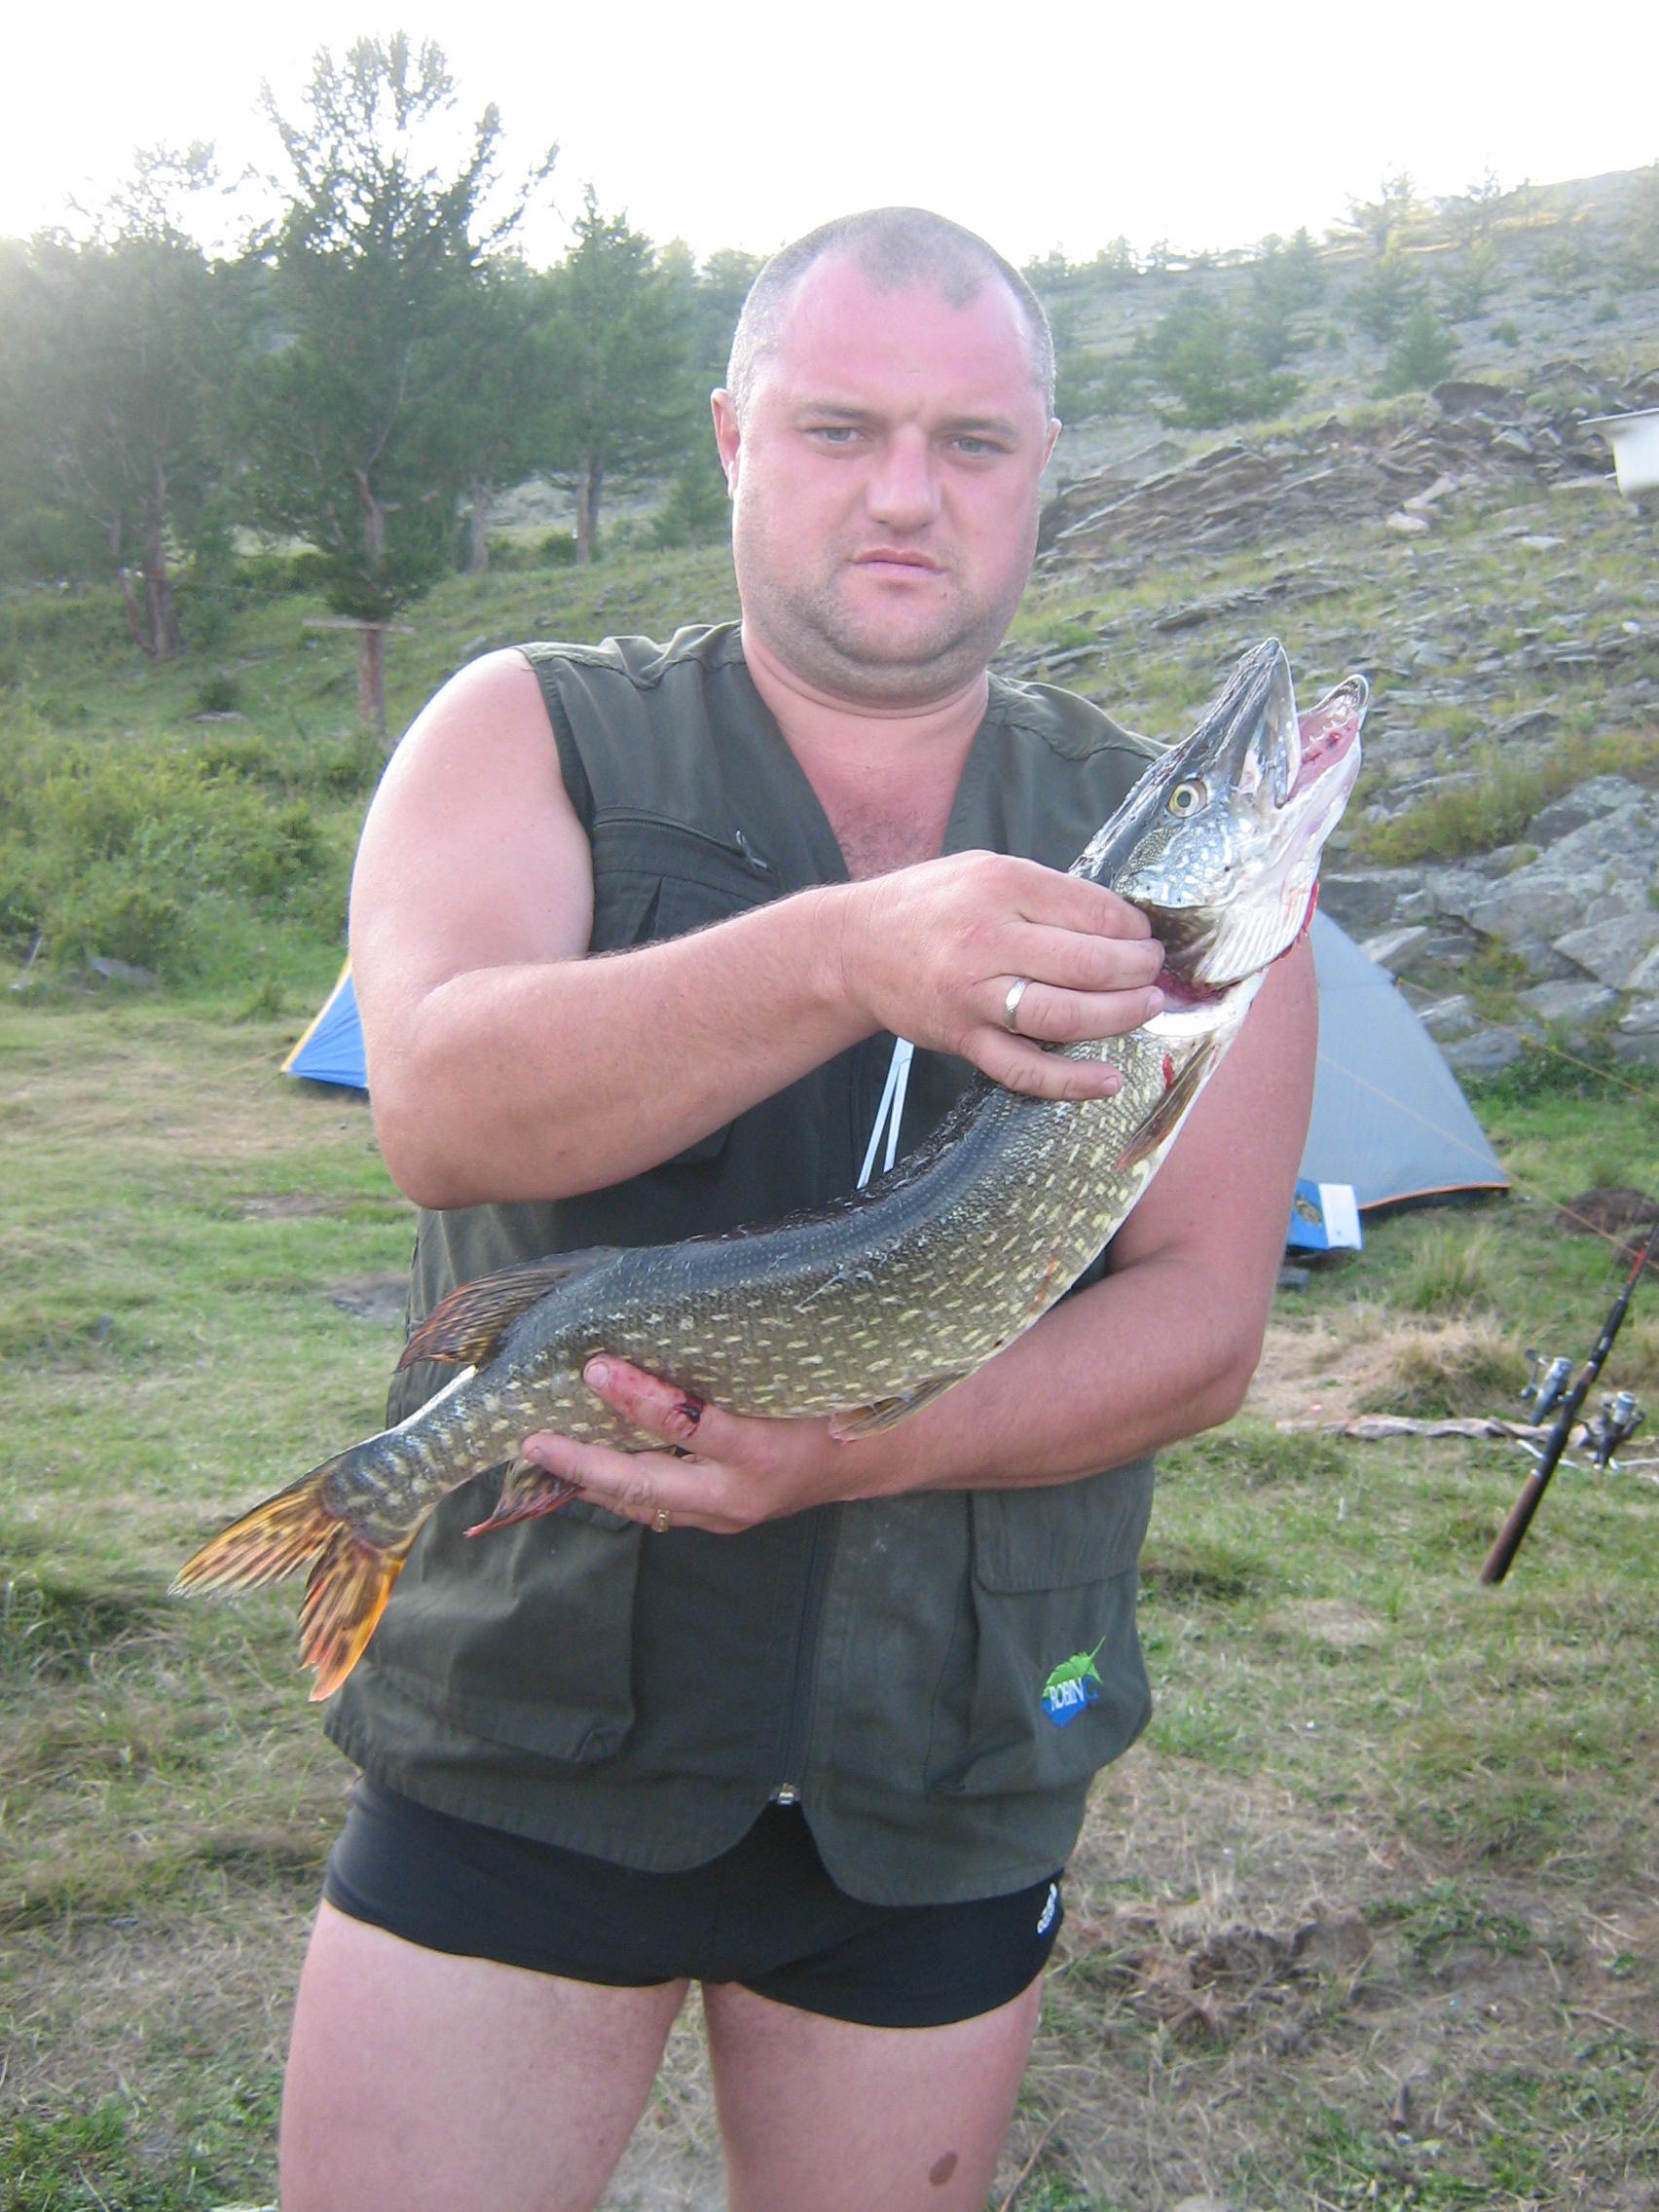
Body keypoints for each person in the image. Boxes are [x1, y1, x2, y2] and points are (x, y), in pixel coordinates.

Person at [278, 207, 1316, 2212]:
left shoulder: (1163, 861)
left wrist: (870, 1447)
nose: (908, 494)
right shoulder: (531, 726)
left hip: (947, 1754)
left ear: (1040, 465)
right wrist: (846, 953)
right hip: (533, 1719)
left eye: (973, 441)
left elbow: (1205, 1325)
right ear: (736, 439)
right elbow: (441, 1103)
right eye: (842, 428)